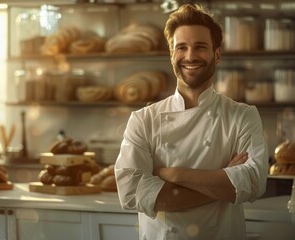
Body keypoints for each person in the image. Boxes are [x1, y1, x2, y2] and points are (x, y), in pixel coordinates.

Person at [114, 3, 268, 240]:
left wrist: (172, 174)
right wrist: (224, 178)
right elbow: (131, 193)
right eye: (181, 47)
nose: (190, 56)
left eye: (200, 47)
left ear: (216, 54)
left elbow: (254, 183)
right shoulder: (144, 120)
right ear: (171, 54)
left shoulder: (242, 115)